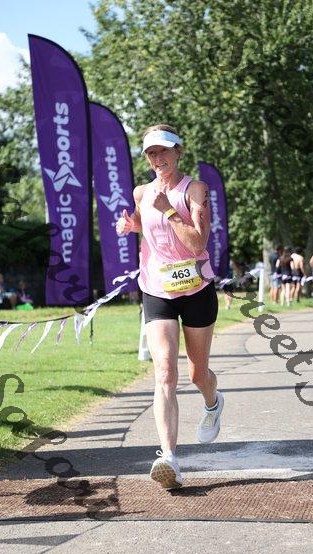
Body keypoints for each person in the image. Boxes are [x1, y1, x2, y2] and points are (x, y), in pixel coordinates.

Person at [116, 124, 223, 489]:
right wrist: (131, 225)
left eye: (163, 151)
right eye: (151, 153)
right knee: (164, 371)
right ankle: (170, 459)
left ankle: (213, 403)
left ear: (178, 151)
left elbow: (197, 244)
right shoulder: (141, 192)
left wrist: (171, 212)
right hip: (157, 289)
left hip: (196, 289)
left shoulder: (195, 190)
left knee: (197, 374)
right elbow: (145, 224)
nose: (157, 158)